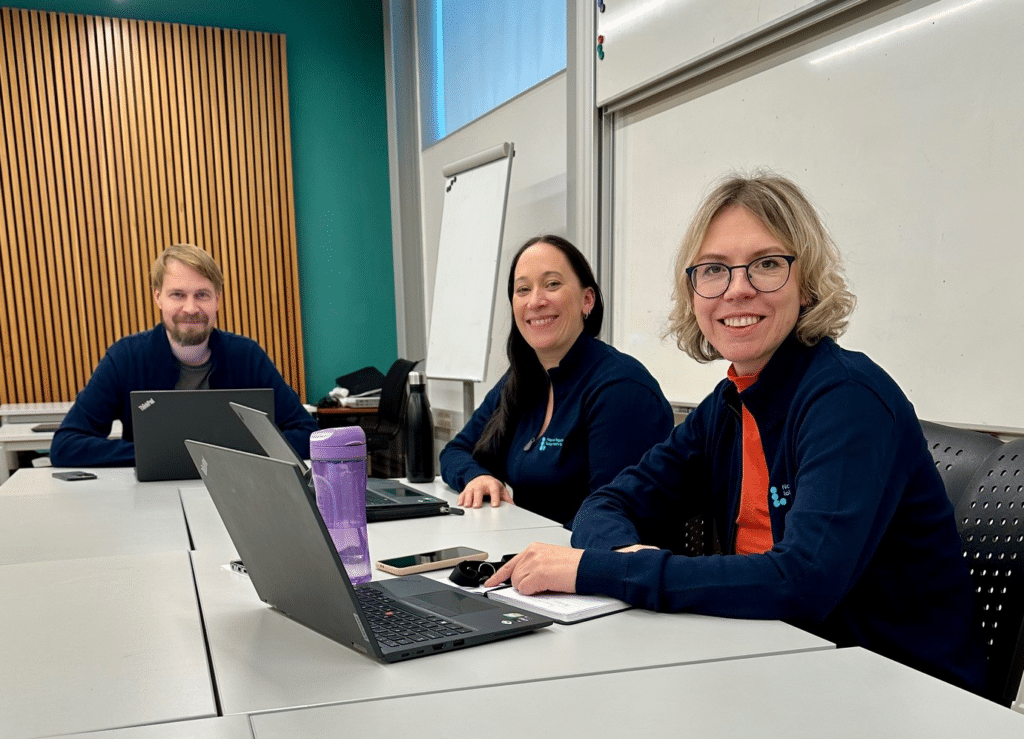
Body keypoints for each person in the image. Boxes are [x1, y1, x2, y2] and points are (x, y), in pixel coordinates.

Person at [485, 174, 987, 693]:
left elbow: (803, 582)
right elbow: (606, 505)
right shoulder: (729, 404)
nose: (737, 288)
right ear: (694, 292)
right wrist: (621, 561)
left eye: (767, 264)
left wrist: (603, 572)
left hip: (900, 691)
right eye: (714, 270)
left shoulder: (847, 399)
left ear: (807, 281)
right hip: (777, 658)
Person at [439, 235, 674, 527]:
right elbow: (454, 452)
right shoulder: (521, 378)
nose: (536, 301)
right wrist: (476, 476)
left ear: (587, 300)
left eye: (552, 284)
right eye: (523, 289)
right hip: (529, 550)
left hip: (590, 563)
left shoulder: (620, 389)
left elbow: (612, 519)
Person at [50, 244, 318, 467]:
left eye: (202, 295)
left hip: (239, 490)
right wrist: (156, 456)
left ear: (218, 299)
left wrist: (230, 453)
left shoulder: (247, 355)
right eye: (177, 295)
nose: (190, 308)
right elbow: (66, 445)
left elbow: (307, 434)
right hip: (153, 499)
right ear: (158, 298)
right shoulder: (126, 357)